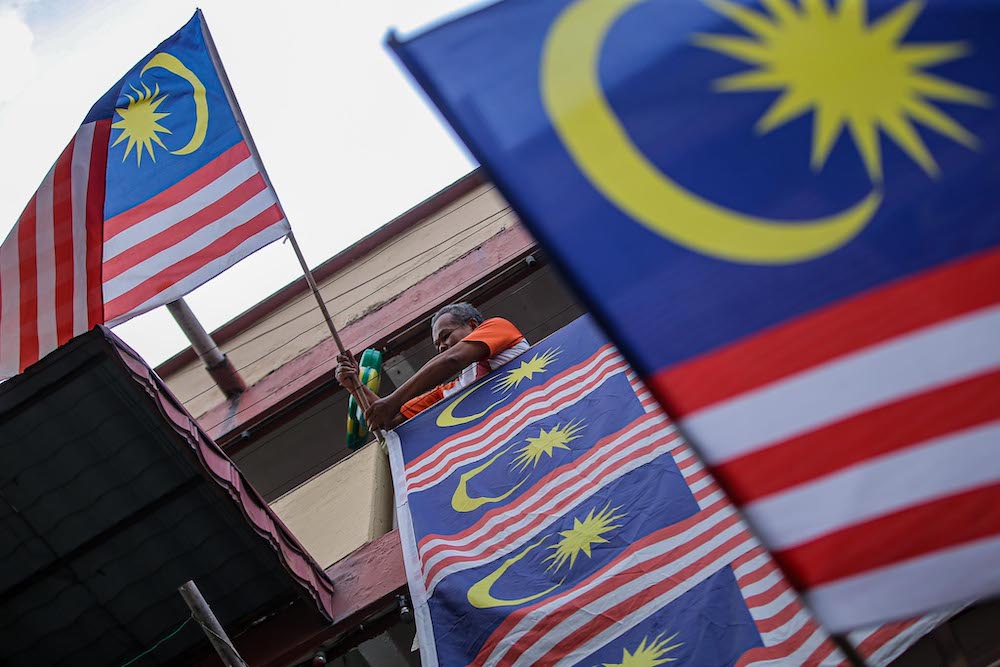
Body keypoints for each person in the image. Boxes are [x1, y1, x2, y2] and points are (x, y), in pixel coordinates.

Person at [335, 303, 529, 430]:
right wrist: (354, 384)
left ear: (472, 325)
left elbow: (451, 360)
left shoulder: (497, 327)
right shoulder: (453, 389)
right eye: (437, 345)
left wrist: (393, 401)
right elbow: (390, 420)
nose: (441, 347)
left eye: (445, 336)